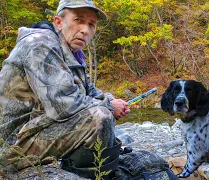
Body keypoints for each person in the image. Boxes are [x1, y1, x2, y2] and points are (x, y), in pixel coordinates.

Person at [0, 0, 177, 179]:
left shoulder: (72, 51)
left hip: (33, 132)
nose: (85, 30)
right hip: (10, 146)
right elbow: (65, 105)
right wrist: (109, 106)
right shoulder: (40, 45)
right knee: (100, 117)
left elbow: (86, 90)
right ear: (58, 22)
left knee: (101, 113)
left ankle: (91, 172)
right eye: (78, 20)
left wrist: (110, 99)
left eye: (91, 24)